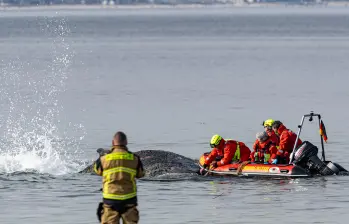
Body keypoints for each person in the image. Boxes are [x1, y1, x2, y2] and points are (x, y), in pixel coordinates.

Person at [94, 131, 145, 224]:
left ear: (113, 143)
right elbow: (141, 174)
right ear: (126, 142)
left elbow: (97, 170)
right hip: (129, 200)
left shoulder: (105, 159)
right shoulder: (134, 158)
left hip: (110, 200)